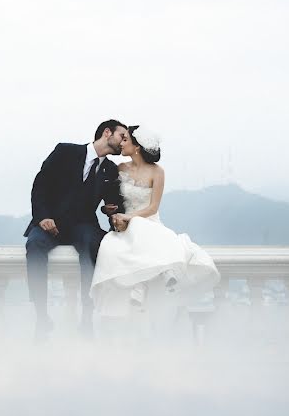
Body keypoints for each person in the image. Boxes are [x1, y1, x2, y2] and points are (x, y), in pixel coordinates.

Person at [90, 125, 220, 320]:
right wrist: (110, 212)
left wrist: (130, 217)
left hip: (148, 220)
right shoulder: (120, 169)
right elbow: (110, 201)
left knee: (141, 227)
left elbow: (153, 207)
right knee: (111, 246)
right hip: (125, 226)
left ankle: (153, 281)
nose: (121, 143)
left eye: (125, 139)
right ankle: (140, 286)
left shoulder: (157, 172)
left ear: (137, 147)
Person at [24, 119, 127, 342]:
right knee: (33, 245)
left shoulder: (110, 169)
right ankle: (41, 317)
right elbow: (39, 185)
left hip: (83, 225)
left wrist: (110, 210)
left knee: (94, 244)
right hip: (50, 222)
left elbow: (114, 203)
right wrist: (43, 217)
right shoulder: (65, 151)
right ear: (107, 133)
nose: (124, 142)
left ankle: (87, 316)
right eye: (122, 136)